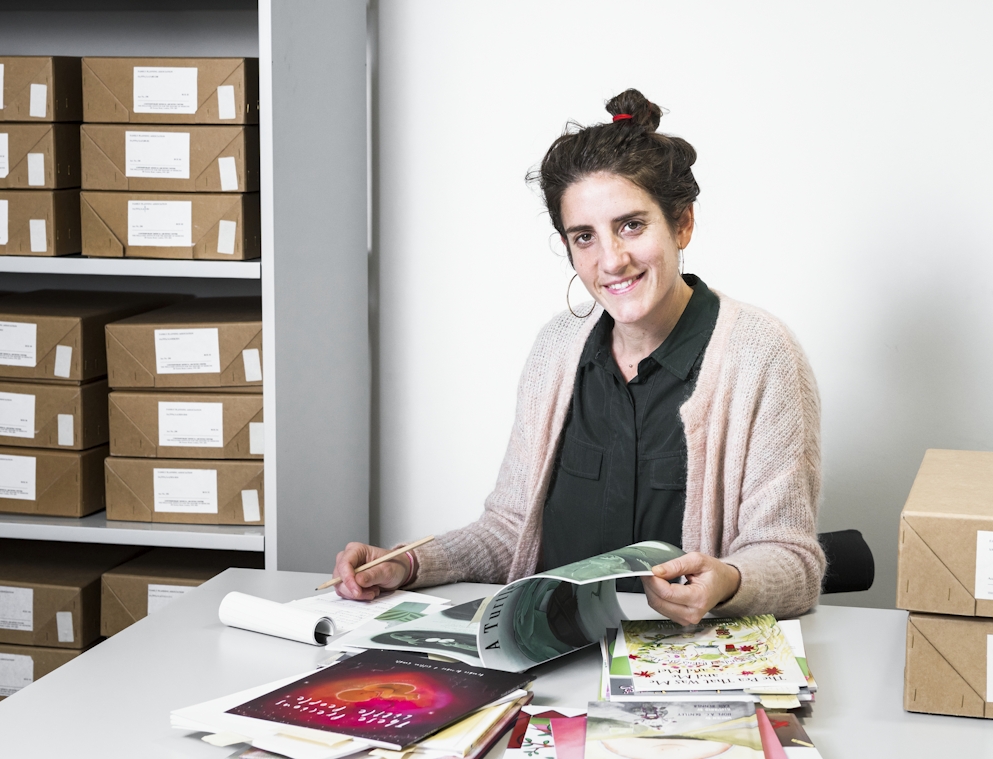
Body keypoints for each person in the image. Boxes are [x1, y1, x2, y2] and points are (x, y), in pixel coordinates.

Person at [333, 89, 824, 624]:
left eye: (632, 225)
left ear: (681, 224)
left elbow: (793, 562)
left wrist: (729, 581)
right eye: (584, 237)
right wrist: (407, 563)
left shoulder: (760, 356)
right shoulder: (556, 349)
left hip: (684, 669)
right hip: (556, 657)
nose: (611, 260)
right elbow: (509, 532)